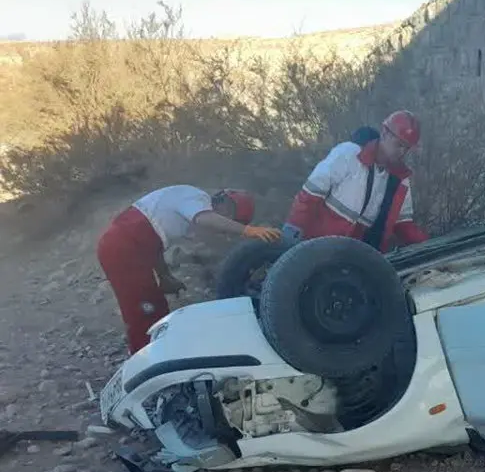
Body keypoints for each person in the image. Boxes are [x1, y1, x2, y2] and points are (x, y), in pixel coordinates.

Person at [97, 185, 282, 354]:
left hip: (130, 246)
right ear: (225, 203)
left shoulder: (186, 207)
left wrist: (164, 275)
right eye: (230, 217)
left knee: (155, 305)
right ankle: (144, 359)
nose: (226, 224)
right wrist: (248, 230)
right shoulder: (195, 198)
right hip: (122, 245)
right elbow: (204, 219)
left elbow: (155, 243)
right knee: (143, 309)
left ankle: (155, 354)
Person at [282, 110, 430, 253]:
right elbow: (308, 198)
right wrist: (290, 242)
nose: (402, 152)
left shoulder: (400, 182)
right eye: (399, 144)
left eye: (407, 148)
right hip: (314, 250)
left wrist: (430, 248)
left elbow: (404, 225)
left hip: (355, 260)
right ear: (384, 133)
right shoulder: (348, 155)